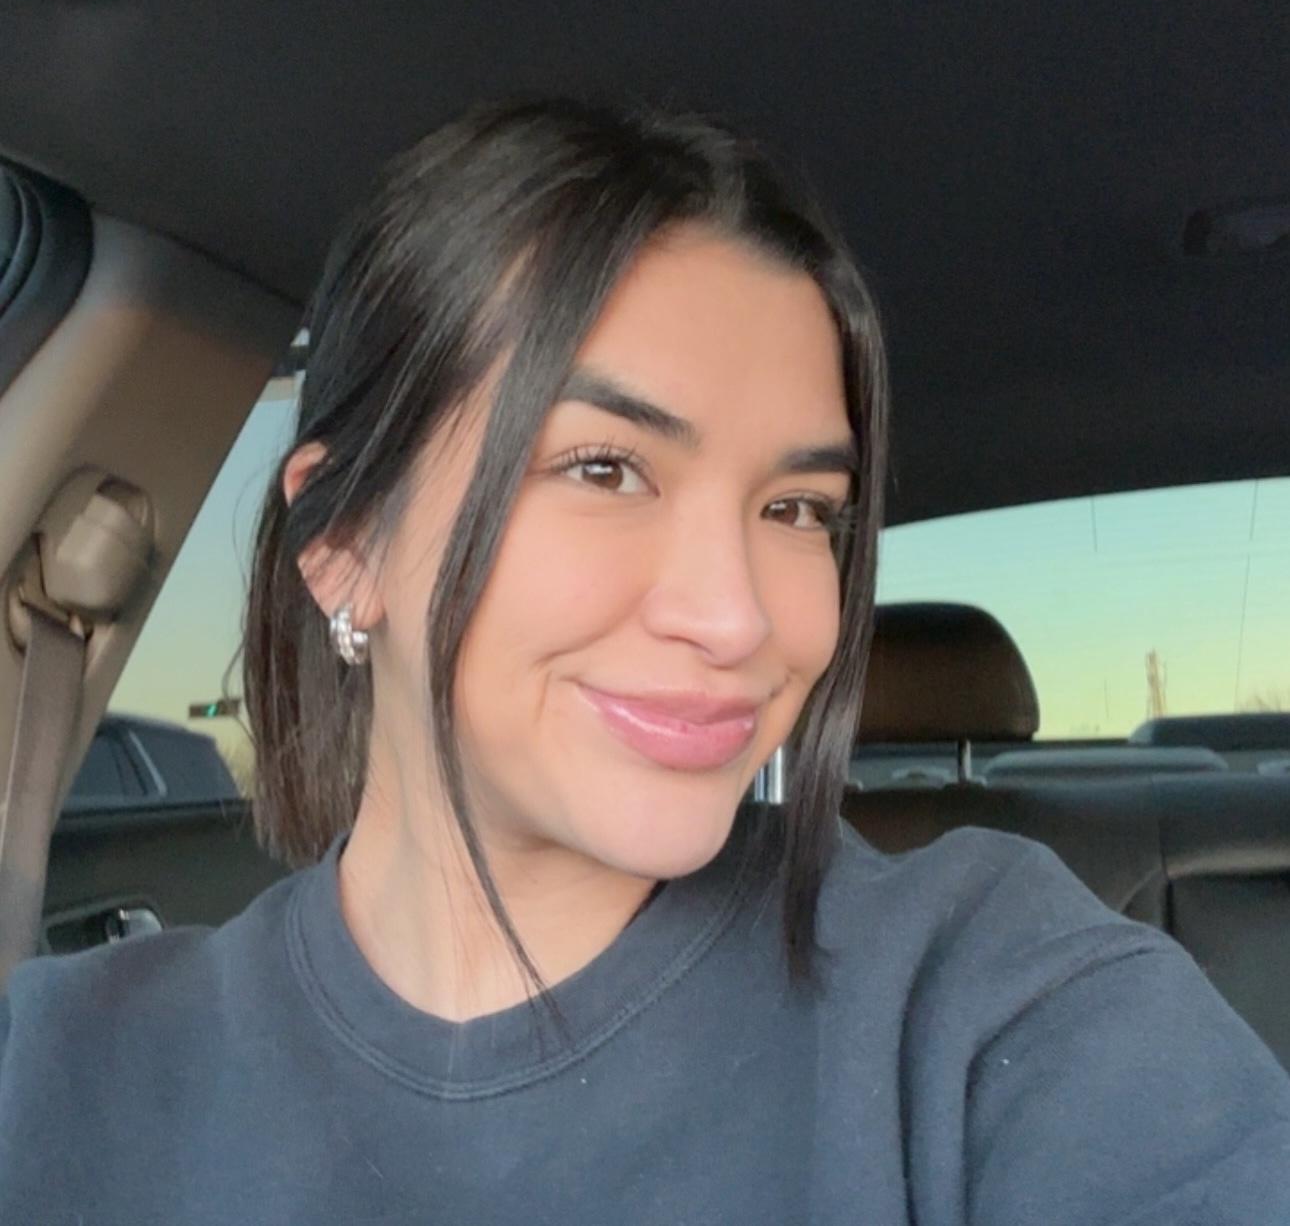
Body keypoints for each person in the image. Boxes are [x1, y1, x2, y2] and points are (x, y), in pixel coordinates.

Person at [1, 98, 1288, 1224]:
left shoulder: (984, 996)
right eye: (605, 469)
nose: (737, 618)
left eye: (799, 509)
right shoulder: (60, 1072)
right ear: (344, 545)